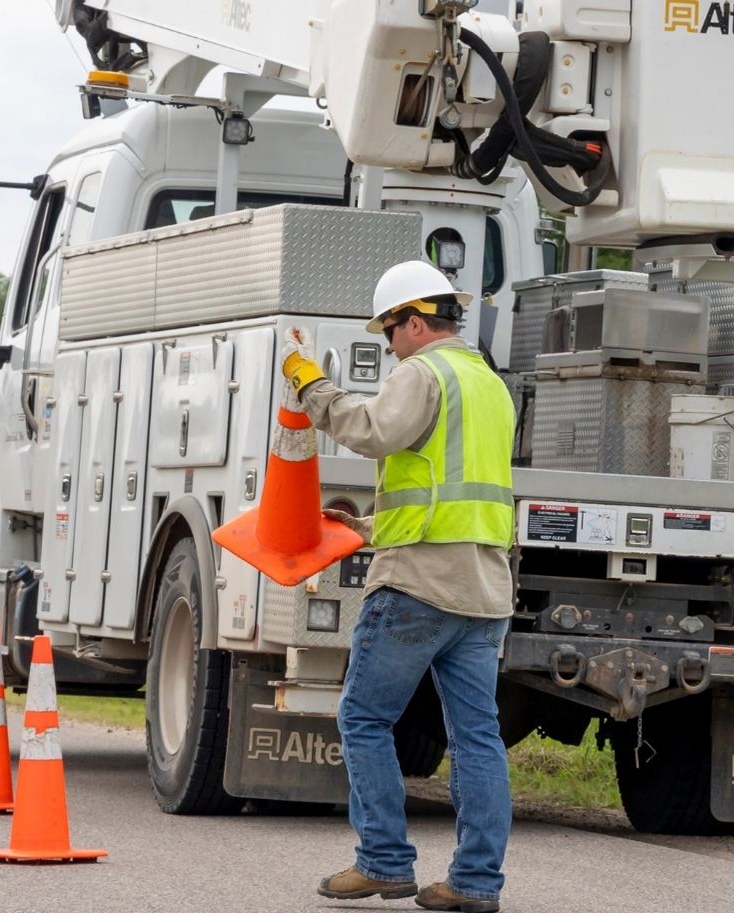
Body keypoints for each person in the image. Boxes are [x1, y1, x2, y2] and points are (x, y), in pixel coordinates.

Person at [288, 260, 515, 913]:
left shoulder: (424, 371)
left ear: (415, 322)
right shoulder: (488, 384)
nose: (390, 346)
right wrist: (365, 525)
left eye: (391, 332)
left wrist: (312, 386)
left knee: (363, 716)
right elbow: (449, 487)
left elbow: (373, 431)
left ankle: (384, 862)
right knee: (477, 735)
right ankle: (475, 883)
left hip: (418, 583)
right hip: (482, 586)